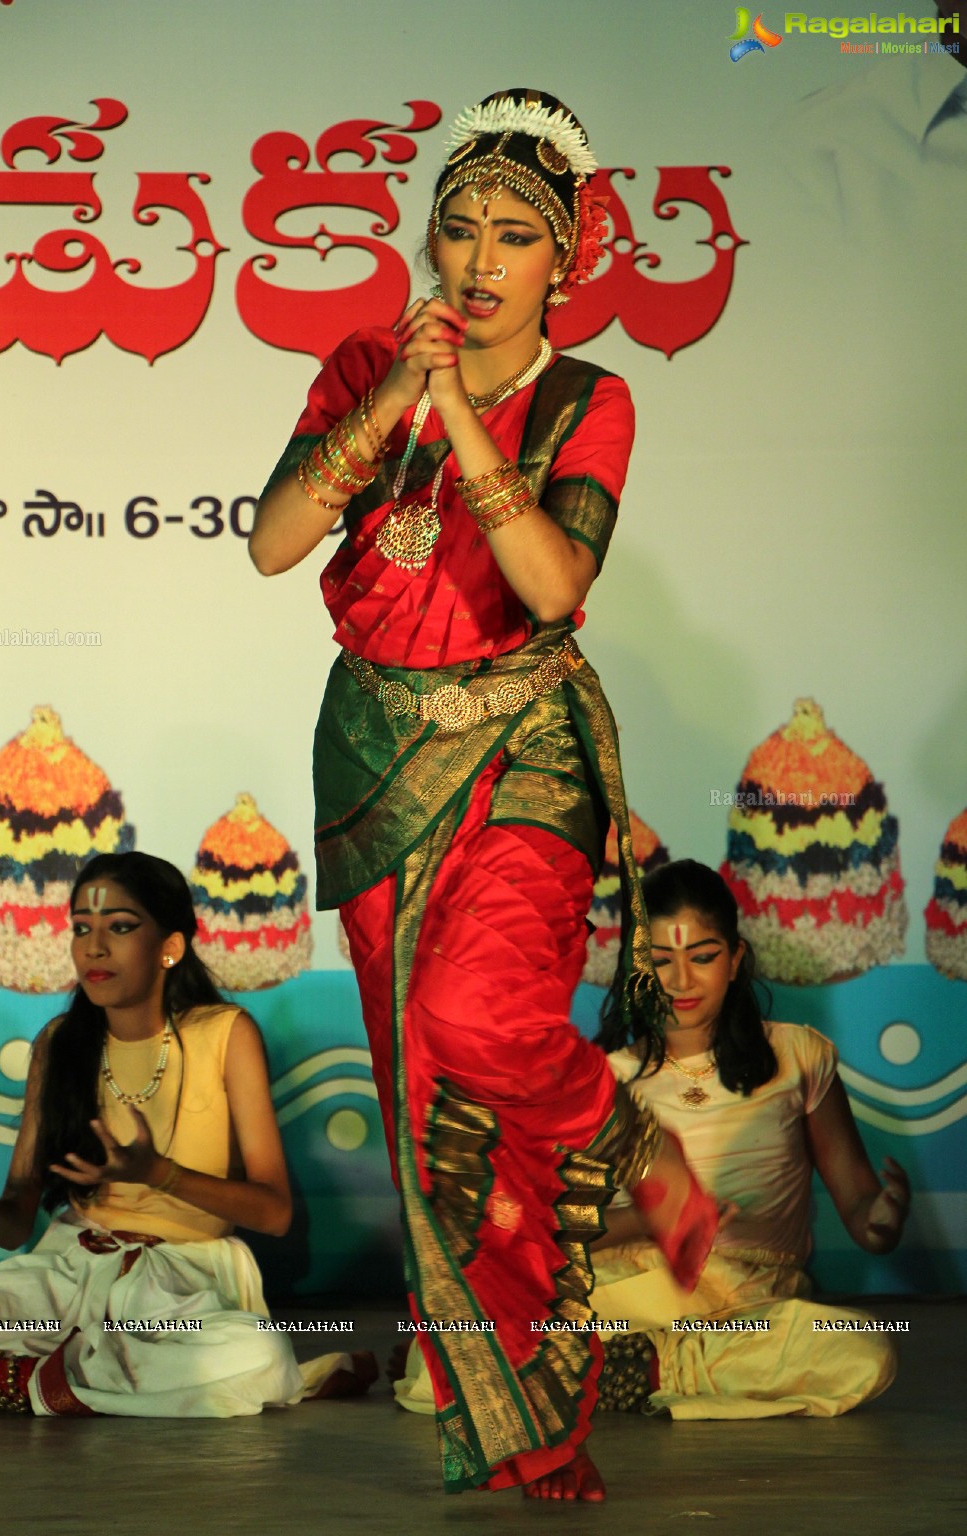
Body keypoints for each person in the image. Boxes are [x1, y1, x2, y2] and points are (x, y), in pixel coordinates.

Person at [249, 88, 718, 1500]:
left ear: (564, 263)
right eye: (456, 228)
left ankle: (620, 1130)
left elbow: (557, 588)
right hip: (376, 765)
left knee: (483, 1018)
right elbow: (274, 545)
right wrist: (395, 391)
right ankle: (526, 1431)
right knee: (434, 1111)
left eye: (515, 237)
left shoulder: (591, 398)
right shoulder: (355, 365)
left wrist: (459, 408)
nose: (478, 258)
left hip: (524, 746)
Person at [0, 851, 373, 1416]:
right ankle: (76, 1365)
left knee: (253, 1354)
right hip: (60, 1285)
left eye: (119, 927)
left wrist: (158, 1175)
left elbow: (274, 1213)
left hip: (176, 1293)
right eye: (81, 929)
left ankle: (1, 1379)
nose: (94, 948)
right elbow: (14, 1224)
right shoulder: (59, 1044)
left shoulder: (226, 1034)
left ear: (170, 946)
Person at [591, 859, 910, 1419]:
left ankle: (638, 1369)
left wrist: (881, 1219)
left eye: (703, 957)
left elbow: (860, 1204)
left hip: (750, 1310)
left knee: (866, 1350)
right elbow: (558, 1232)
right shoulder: (605, 1079)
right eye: (661, 961)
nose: (681, 981)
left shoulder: (797, 1056)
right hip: (629, 1294)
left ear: (736, 960)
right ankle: (643, 1363)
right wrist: (654, 1220)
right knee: (494, 1321)